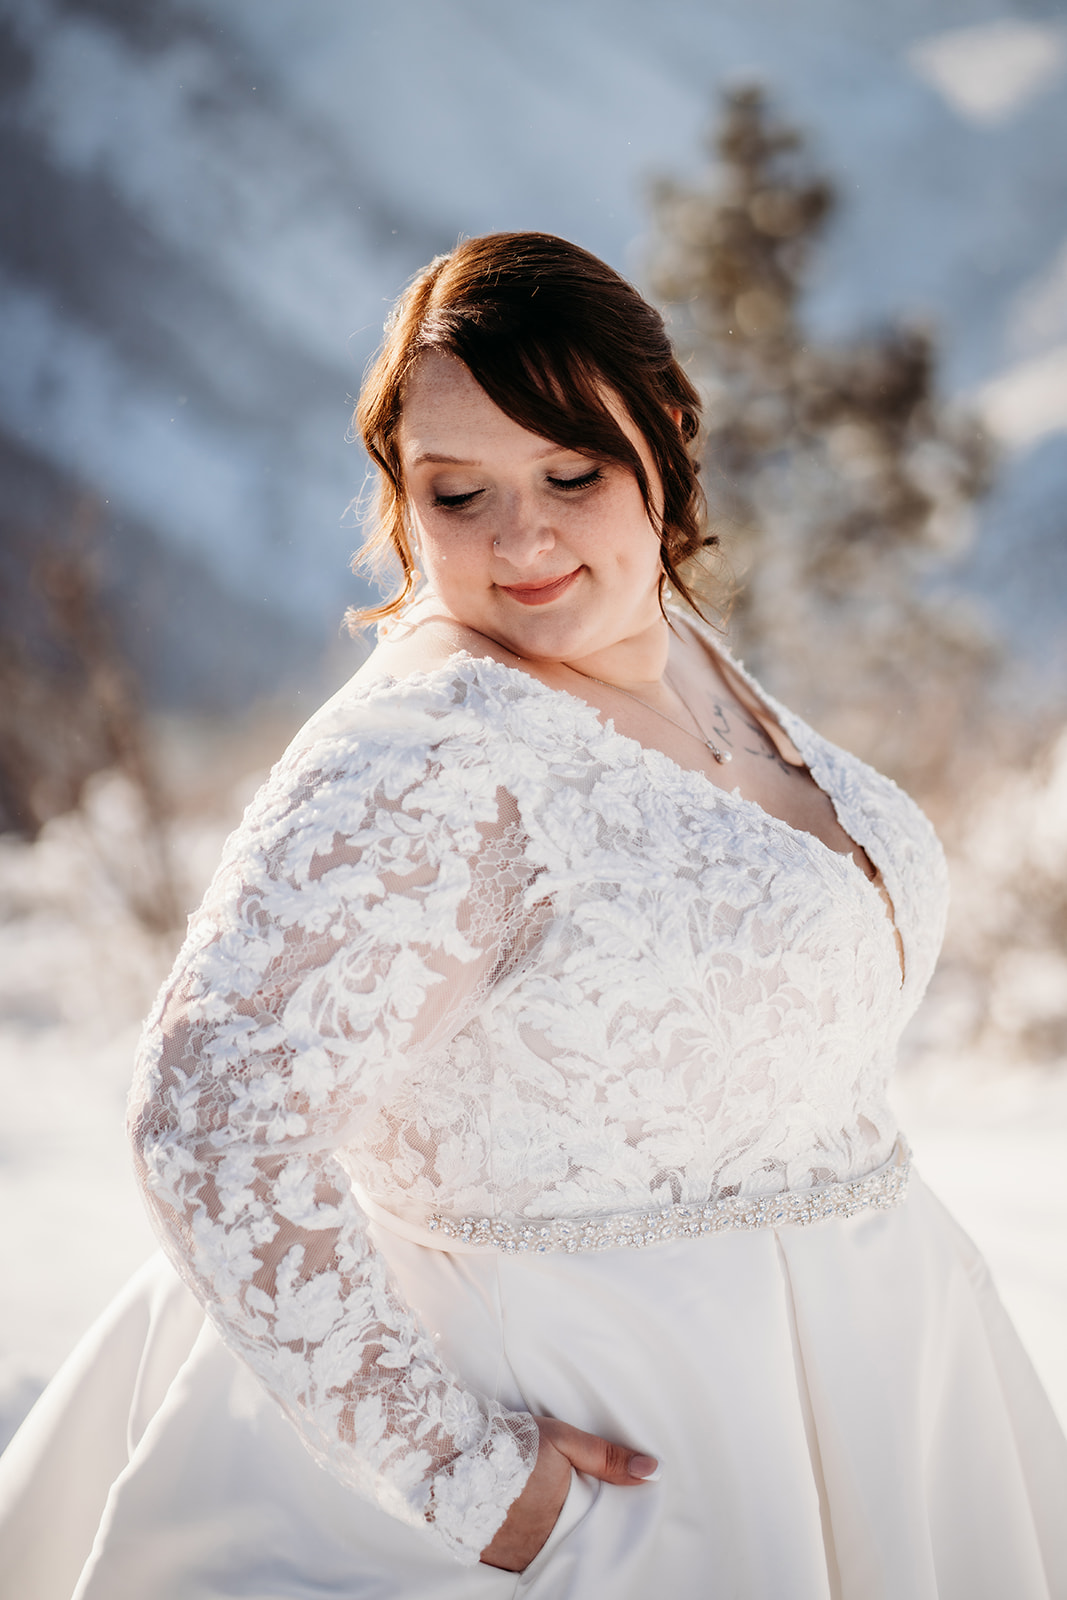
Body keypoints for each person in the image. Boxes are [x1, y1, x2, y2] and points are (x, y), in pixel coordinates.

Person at [1, 231, 1065, 1600]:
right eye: (460, 495)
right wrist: (470, 1475)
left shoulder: (662, 643)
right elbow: (210, 1122)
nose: (524, 540)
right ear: (401, 496)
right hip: (627, 1469)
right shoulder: (422, 758)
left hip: (878, 1405)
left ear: (666, 441)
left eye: (575, 472)